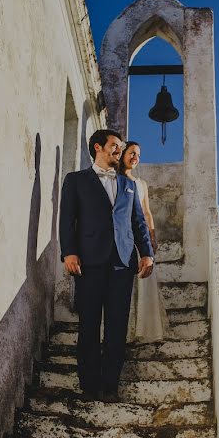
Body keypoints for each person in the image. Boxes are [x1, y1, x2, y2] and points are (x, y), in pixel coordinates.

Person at [59, 129, 154, 402]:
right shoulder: (76, 181)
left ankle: (110, 386)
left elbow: (138, 223)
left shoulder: (129, 185)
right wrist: (69, 253)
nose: (119, 150)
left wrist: (146, 253)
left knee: (117, 327)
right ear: (98, 147)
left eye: (121, 147)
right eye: (115, 146)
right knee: (89, 324)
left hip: (123, 264)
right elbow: (67, 220)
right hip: (88, 262)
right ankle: (89, 386)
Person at [119, 141, 170, 343]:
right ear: (122, 154)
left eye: (138, 155)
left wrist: (152, 236)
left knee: (144, 280)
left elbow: (146, 212)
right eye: (132, 153)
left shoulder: (141, 184)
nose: (135, 157)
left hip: (140, 237)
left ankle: (144, 329)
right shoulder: (115, 179)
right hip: (122, 236)